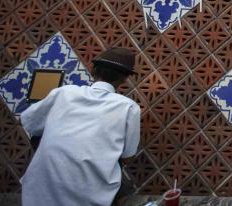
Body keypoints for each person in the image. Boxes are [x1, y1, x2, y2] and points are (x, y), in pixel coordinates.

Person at [20, 47, 141, 206]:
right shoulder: (129, 107)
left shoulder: (64, 93)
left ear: (93, 70)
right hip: (91, 194)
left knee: (39, 133)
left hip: (40, 190)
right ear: (125, 79)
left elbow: (28, 122)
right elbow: (128, 157)